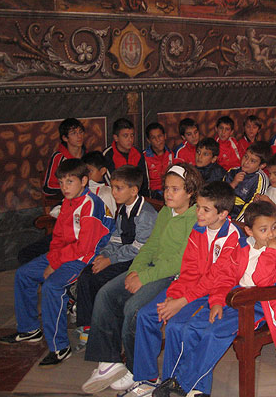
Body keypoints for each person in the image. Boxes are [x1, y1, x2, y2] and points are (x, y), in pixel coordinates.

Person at [81, 164, 203, 395]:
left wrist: (144, 277)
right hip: (150, 268)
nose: (168, 193)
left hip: (170, 275)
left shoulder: (194, 218)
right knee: (106, 293)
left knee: (133, 309)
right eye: (166, 188)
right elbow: (150, 246)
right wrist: (134, 272)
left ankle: (138, 371)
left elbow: (180, 260)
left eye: (175, 189)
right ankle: (109, 362)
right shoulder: (166, 212)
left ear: (190, 192)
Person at [152, 201, 276, 397]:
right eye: (264, 229)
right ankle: (184, 384)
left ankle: (179, 383)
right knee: (190, 326)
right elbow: (226, 276)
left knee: (214, 333)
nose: (271, 234)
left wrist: (271, 250)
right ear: (249, 231)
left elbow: (263, 280)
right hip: (233, 298)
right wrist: (217, 302)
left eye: (274, 227)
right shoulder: (244, 245)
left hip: (258, 305)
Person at [131, 182, 241, 395]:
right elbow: (189, 269)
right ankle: (148, 378)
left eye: (205, 209)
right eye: (198, 206)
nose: (198, 213)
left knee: (178, 326)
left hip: (216, 294)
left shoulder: (232, 237)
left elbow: (214, 279)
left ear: (222, 214)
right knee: (146, 314)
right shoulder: (198, 229)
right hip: (192, 288)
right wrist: (172, 297)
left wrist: (181, 302)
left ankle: (187, 386)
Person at [1, 159, 113, 367]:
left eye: (69, 182)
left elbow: (84, 247)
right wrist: (53, 258)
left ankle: (60, 347)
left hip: (86, 257)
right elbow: (58, 237)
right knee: (24, 274)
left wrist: (55, 264)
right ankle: (29, 329)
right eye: (61, 183)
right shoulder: (68, 202)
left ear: (84, 181)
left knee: (53, 286)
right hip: (65, 253)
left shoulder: (90, 204)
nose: (64, 187)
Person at [75, 166, 157, 343]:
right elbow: (116, 238)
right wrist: (104, 255)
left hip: (137, 261)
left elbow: (139, 248)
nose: (113, 192)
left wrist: (110, 260)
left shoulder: (145, 214)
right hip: (122, 256)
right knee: (87, 274)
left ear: (134, 190)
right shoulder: (122, 210)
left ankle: (102, 325)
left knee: (98, 279)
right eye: (112, 187)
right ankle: (87, 323)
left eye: (119, 188)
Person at [224, 141, 271, 221]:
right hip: (223, 212)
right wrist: (233, 183)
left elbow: (252, 207)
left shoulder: (260, 179)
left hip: (241, 219)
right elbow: (219, 196)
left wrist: (236, 223)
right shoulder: (232, 171)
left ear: (262, 165)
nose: (246, 162)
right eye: (246, 156)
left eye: (252, 161)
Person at [103, 118, 150, 197]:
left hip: (137, 196)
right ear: (116, 138)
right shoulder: (107, 155)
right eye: (125, 136)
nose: (130, 139)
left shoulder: (138, 153)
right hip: (116, 197)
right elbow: (111, 183)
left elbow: (144, 181)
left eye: (132, 135)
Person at [42, 118, 86, 198]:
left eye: (81, 132)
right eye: (73, 133)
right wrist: (72, 188)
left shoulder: (87, 156)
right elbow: (48, 188)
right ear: (65, 138)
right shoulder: (58, 157)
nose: (79, 136)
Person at [144, 123, 173, 200]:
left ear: (165, 136)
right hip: (152, 197)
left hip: (171, 192)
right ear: (148, 140)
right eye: (153, 138)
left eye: (160, 136)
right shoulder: (143, 157)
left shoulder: (172, 155)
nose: (158, 140)